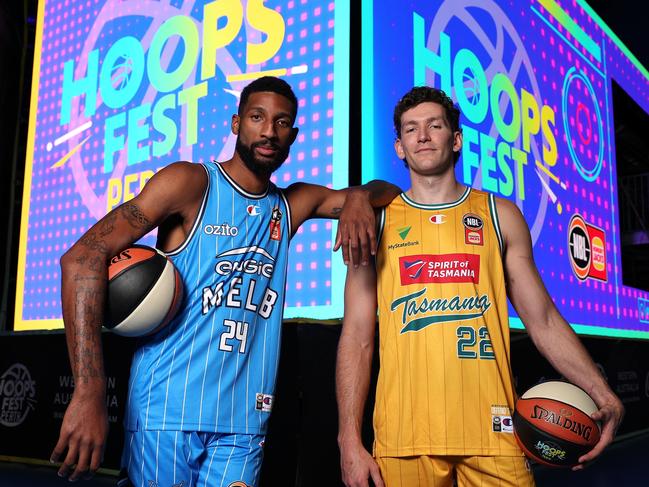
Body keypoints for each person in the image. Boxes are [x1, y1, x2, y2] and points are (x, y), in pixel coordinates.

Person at [50, 76, 400, 486]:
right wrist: (88, 391)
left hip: (243, 425)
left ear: (294, 135)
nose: (269, 131)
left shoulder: (291, 204)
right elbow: (81, 257)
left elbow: (388, 190)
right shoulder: (190, 183)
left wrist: (358, 195)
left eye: (282, 122)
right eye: (257, 117)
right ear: (236, 124)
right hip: (165, 413)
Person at [335, 86, 625, 487]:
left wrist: (603, 393)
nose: (422, 136)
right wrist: (348, 439)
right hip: (404, 435)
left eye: (434, 126)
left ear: (455, 140)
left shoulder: (499, 214)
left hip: (495, 431)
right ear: (399, 147)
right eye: (411, 129)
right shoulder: (376, 221)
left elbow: (541, 319)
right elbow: (357, 337)